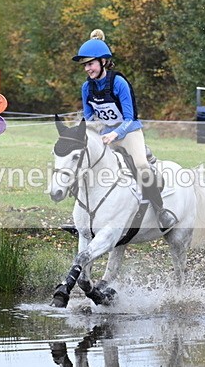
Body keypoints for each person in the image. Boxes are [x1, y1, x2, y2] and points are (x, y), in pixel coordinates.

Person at [73, 29, 177, 232]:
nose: (87, 68)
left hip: (129, 133)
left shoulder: (119, 83)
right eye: (85, 65)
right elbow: (89, 118)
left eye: (90, 63)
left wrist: (115, 133)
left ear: (103, 61)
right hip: (106, 136)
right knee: (84, 164)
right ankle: (83, 218)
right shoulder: (87, 88)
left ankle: (160, 211)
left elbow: (130, 118)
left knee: (140, 164)